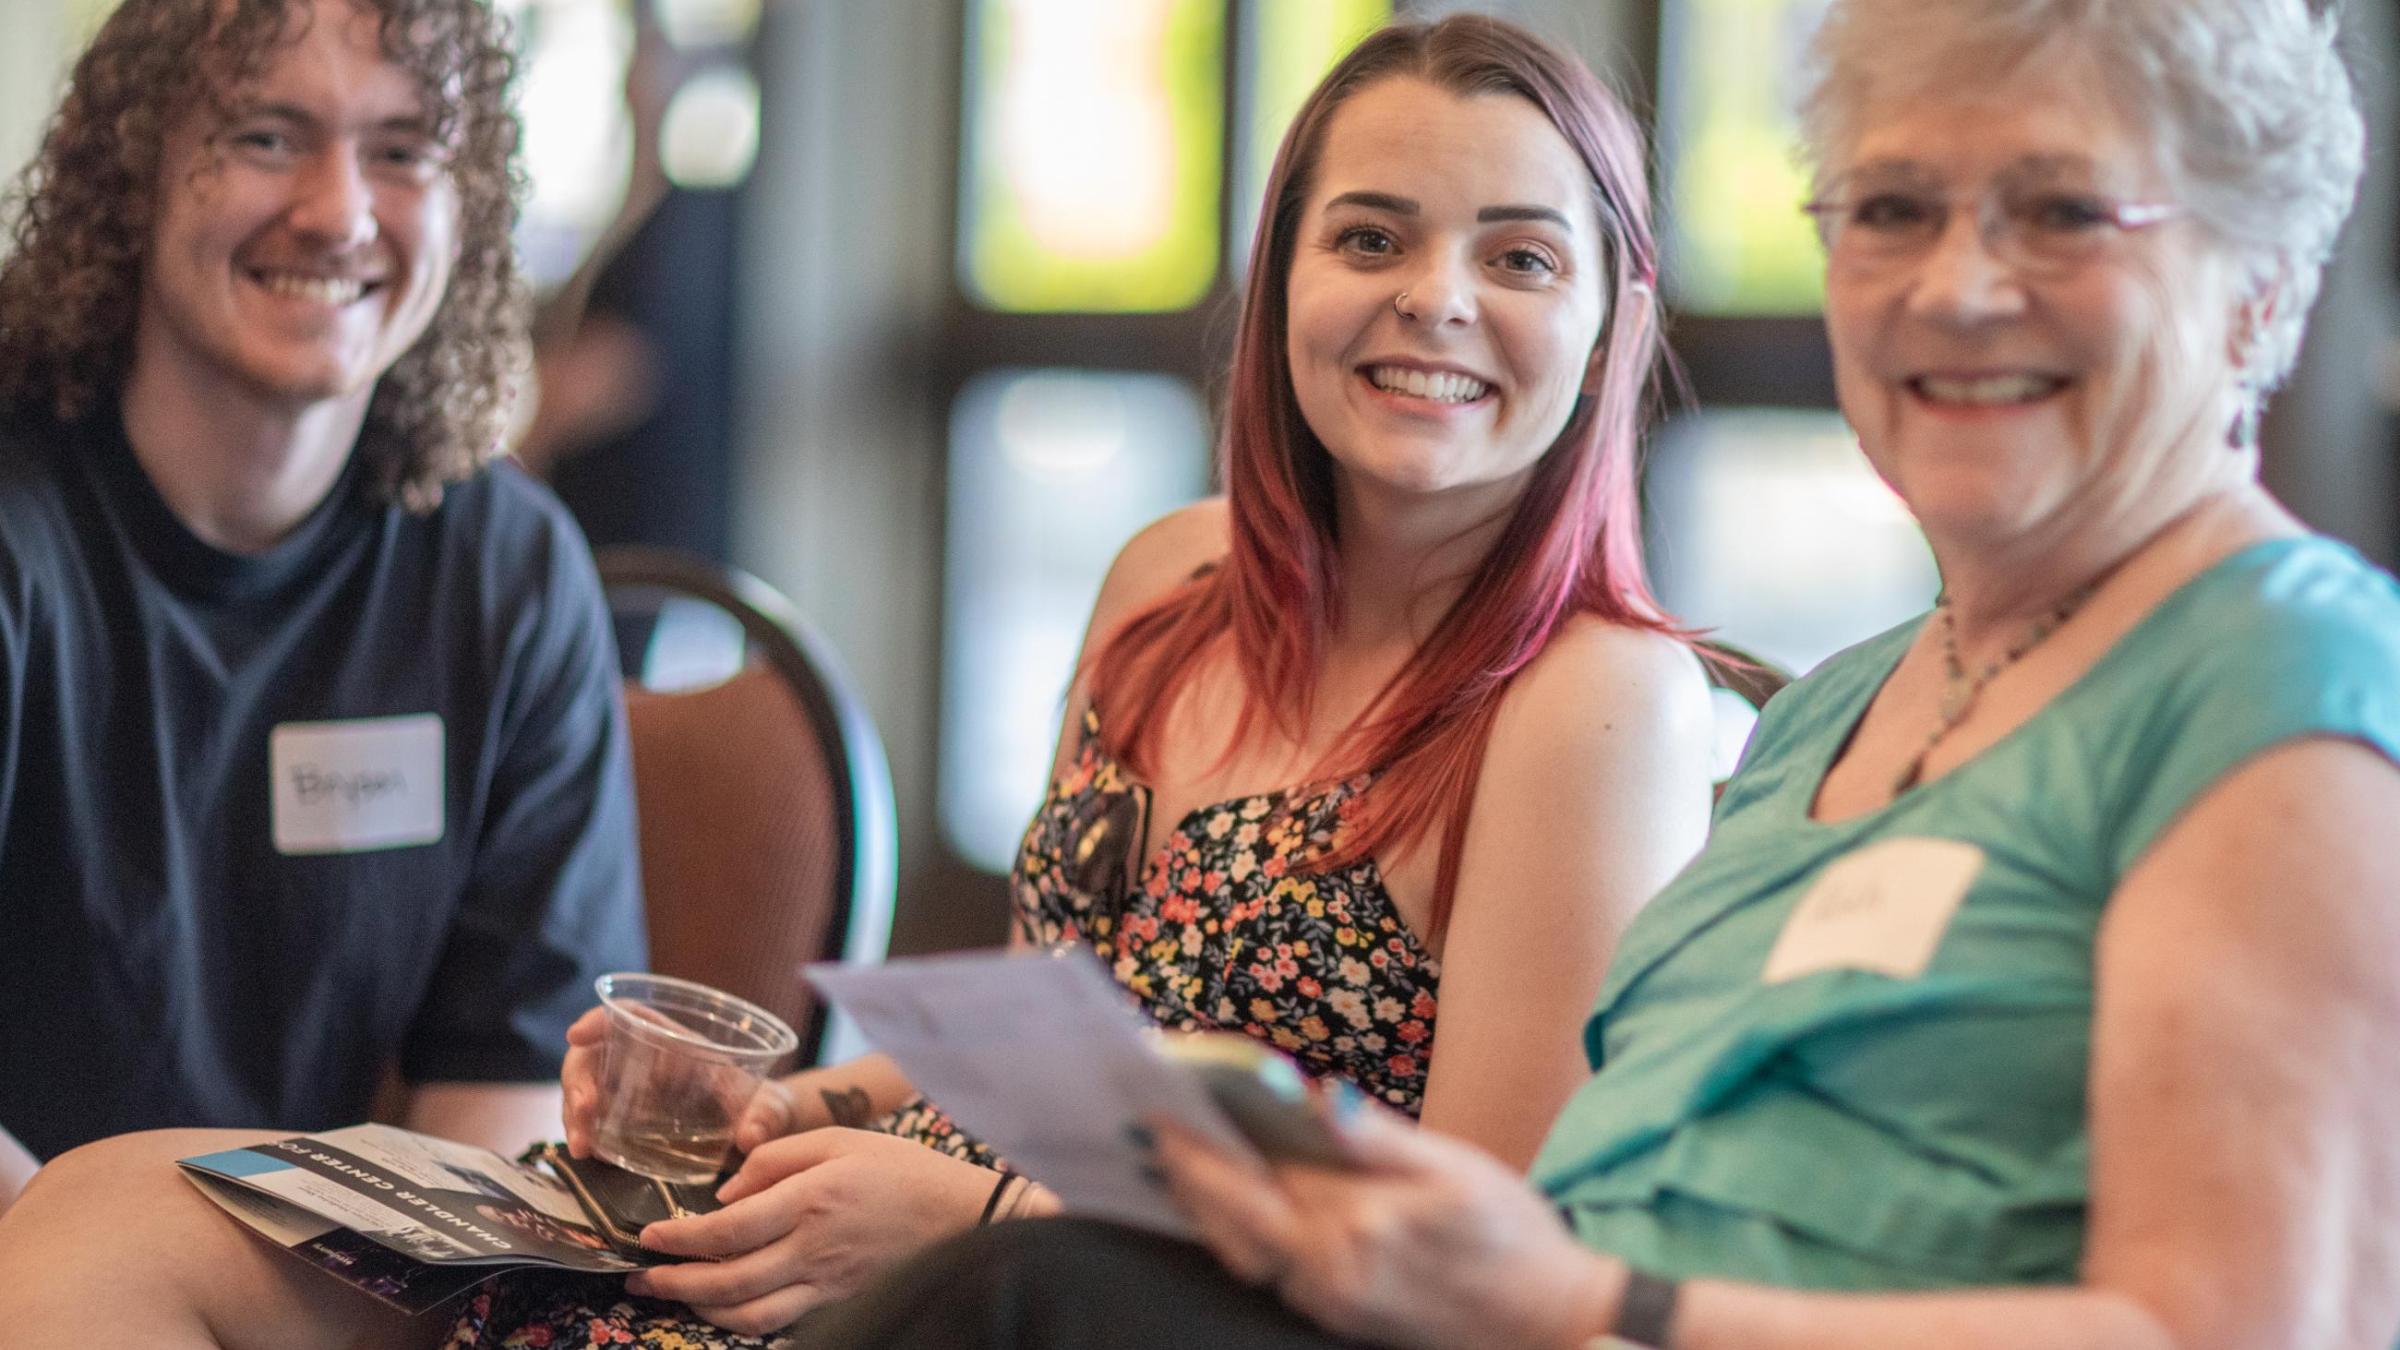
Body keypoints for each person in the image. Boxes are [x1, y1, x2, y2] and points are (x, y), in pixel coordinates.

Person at [0, 13, 1714, 1348]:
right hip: (904, 1252)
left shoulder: (1600, 694)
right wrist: (810, 1100)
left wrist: (975, 1233)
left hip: (1079, 1309)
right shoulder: (1173, 583)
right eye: (1371, 237)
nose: (1434, 302)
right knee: (106, 1219)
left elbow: (1480, 1253)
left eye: (1517, 256)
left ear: (1615, 313)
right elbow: (1075, 1044)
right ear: (1282, 282)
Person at [758, 0, 2400, 1346]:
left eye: (2060, 211)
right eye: (1893, 209)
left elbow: (2240, 1332)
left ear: (2262, 288)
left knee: (1019, 1299)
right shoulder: (1843, 707)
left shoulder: (2271, 669)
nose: (1959, 288)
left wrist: (1601, 1298)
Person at [0, 0, 644, 1220]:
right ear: (131, 170)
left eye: (401, 152)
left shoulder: (506, 573)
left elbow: (500, 1098)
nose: (339, 213)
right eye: (264, 136)